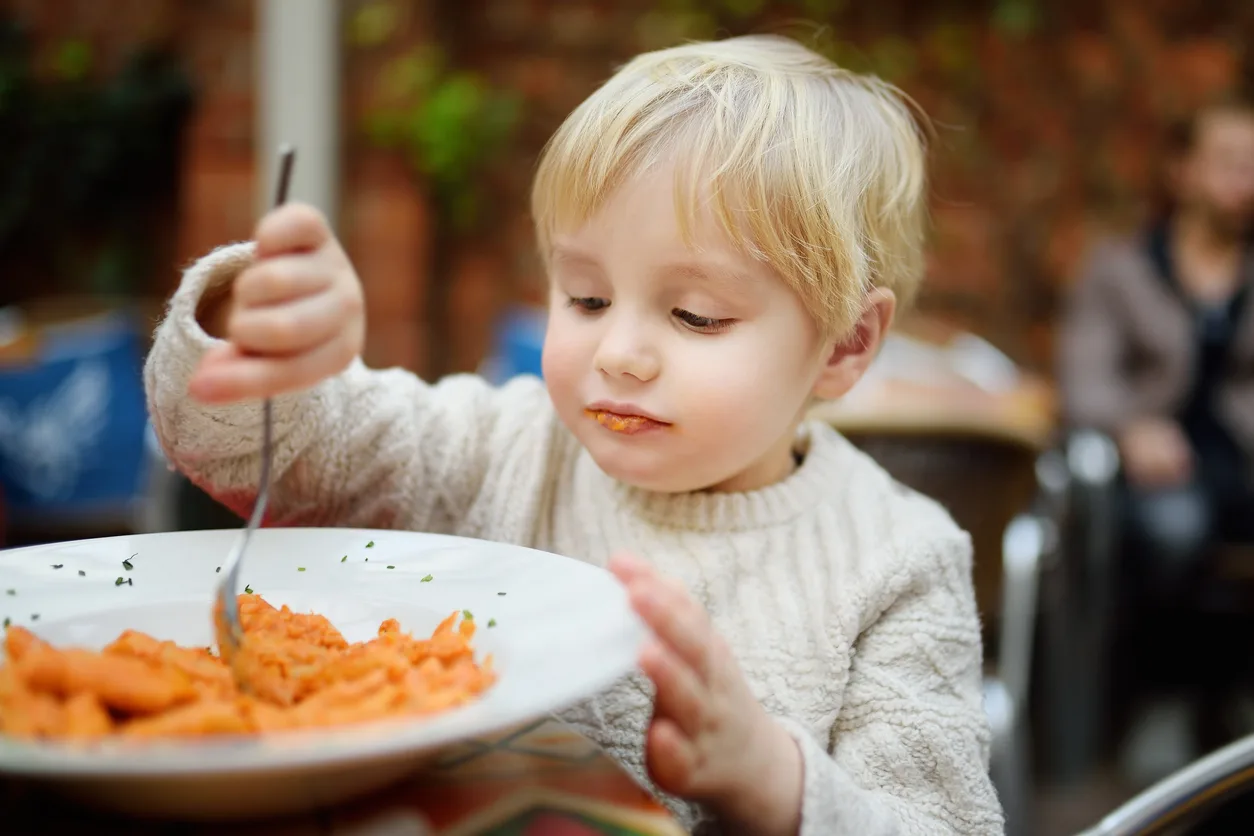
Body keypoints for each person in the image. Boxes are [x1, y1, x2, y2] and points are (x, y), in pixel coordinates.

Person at [146, 35, 1001, 834]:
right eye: (586, 298)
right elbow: (250, 451)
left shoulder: (899, 559)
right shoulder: (507, 447)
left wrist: (771, 778)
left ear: (845, 344)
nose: (618, 354)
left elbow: (943, 821)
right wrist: (253, 334)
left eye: (696, 315)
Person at [1058, 96, 1254, 781]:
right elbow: (1082, 381)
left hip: (1240, 461)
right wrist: (1129, 426)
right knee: (1174, 530)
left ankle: (1231, 702)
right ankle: (1168, 700)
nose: (1246, 181)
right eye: (1230, 162)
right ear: (1183, 171)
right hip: (1159, 467)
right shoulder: (1123, 268)